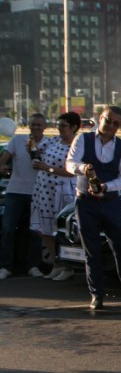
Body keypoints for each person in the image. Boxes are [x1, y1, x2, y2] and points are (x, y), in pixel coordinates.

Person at [66, 105, 121, 309]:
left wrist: (106, 187)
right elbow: (70, 163)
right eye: (108, 120)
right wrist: (83, 168)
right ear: (100, 118)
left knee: (120, 247)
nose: (111, 126)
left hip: (110, 202)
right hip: (85, 202)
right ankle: (97, 294)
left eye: (116, 123)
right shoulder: (83, 139)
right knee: (91, 250)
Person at [30, 112, 81, 282]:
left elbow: (71, 171)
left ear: (74, 127)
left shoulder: (76, 146)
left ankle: (67, 266)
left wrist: (47, 168)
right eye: (58, 125)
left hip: (62, 191)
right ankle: (56, 263)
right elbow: (36, 149)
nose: (60, 129)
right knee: (43, 229)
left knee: (60, 230)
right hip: (44, 190)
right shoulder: (53, 141)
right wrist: (32, 146)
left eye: (63, 126)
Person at [0, 112, 48, 280]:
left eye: (39, 125)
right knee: (7, 229)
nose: (36, 127)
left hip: (38, 192)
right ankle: (5, 267)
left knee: (35, 231)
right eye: (33, 124)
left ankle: (33, 266)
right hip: (15, 191)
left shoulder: (50, 144)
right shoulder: (18, 140)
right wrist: (2, 166)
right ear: (29, 126)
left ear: (44, 127)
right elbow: (3, 159)